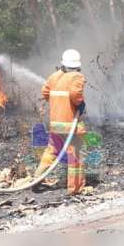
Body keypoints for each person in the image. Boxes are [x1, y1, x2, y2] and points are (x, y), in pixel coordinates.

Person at [34, 49, 87, 195]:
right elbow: (76, 95)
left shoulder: (54, 76)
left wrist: (58, 103)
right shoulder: (76, 77)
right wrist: (79, 104)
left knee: (51, 152)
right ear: (77, 65)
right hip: (70, 126)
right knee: (75, 156)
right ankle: (75, 189)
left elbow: (45, 93)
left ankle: (37, 179)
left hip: (56, 124)